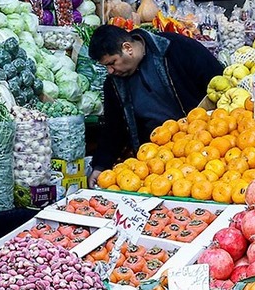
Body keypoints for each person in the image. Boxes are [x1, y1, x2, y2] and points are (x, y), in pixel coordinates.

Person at [89, 24, 223, 179]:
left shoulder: (177, 48)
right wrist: (100, 165)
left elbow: (218, 82)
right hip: (155, 164)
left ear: (127, 48)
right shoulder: (114, 84)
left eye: (112, 63)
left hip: (202, 149)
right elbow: (113, 128)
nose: (110, 71)